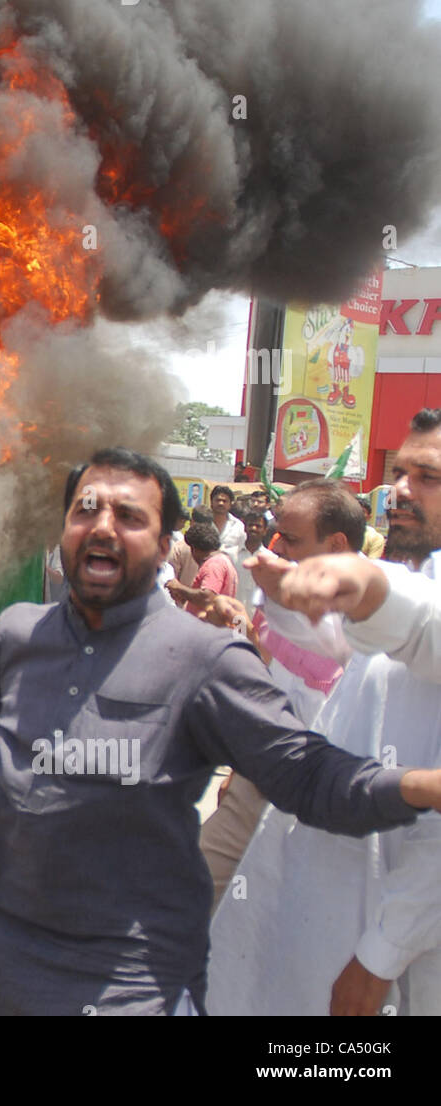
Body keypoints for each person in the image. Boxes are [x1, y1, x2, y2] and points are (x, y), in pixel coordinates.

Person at [0, 445, 441, 1015]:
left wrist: (416, 787)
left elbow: (307, 774)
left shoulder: (206, 659)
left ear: (165, 545)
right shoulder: (14, 635)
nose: (102, 527)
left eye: (130, 517)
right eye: (85, 510)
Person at [209, 410, 441, 1015]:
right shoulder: (417, 574)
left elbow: (416, 624)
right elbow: (352, 644)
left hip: (402, 947)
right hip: (332, 899)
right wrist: (288, 596)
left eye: (429, 477)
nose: (402, 492)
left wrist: (380, 955)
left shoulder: (411, 592)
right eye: (400, 474)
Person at [196, 480, 363, 910]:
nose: (278, 547)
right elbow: (270, 663)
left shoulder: (373, 607)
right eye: (278, 534)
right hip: (261, 776)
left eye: (291, 539)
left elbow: (328, 651)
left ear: (337, 542)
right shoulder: (285, 587)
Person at [234, 511, 268, 612]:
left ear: (265, 530)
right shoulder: (231, 555)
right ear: (245, 528)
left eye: (258, 526)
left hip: (259, 618)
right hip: (234, 615)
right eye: (250, 525)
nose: (253, 528)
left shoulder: (270, 559)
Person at [210, 484, 246, 564]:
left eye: (224, 501)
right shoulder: (204, 523)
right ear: (211, 502)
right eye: (218, 500)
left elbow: (243, 550)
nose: (221, 503)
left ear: (230, 504)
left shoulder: (238, 526)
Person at [358, 495, 386, 560]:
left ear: (369, 517)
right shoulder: (338, 533)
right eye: (354, 510)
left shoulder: (376, 538)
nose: (357, 514)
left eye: (362, 512)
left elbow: (372, 563)